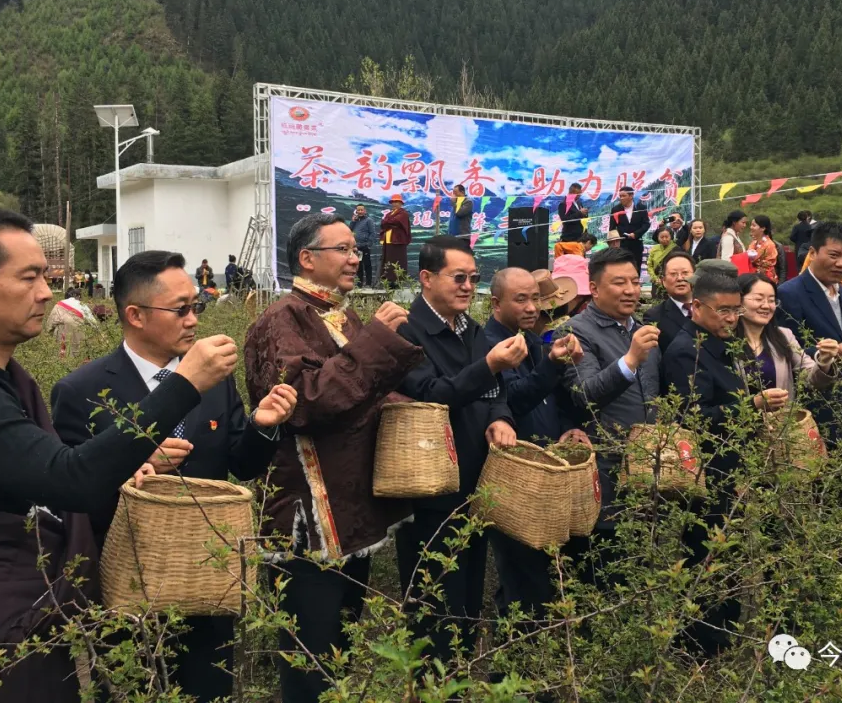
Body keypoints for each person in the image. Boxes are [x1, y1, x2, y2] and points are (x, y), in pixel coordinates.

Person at [0, 207, 237, 701]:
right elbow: (68, 480)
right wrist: (184, 384)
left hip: (4, 616)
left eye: (45, 277)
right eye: (29, 277)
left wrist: (127, 465)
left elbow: (41, 472)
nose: (47, 293)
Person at [51, 250, 297, 701]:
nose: (193, 320)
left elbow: (240, 465)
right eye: (180, 309)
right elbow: (72, 495)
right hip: (127, 592)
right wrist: (132, 462)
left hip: (206, 583)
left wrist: (263, 426)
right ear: (135, 315)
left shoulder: (215, 379)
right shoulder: (82, 391)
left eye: (196, 306)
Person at [243, 213, 424, 703]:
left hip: (351, 510)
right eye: (342, 249)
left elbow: (363, 392)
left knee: (340, 652)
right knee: (311, 661)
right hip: (307, 517)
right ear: (307, 258)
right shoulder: (281, 319)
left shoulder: (342, 314)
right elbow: (306, 402)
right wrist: (377, 340)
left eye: (355, 249)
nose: (354, 258)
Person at [395, 235, 521, 663]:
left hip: (476, 483)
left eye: (473, 278)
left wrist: (500, 417)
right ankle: (430, 684)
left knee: (467, 600)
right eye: (459, 278)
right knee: (434, 603)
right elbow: (433, 393)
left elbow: (496, 391)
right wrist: (489, 366)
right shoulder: (407, 332)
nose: (468, 286)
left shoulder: (472, 329)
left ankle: (461, 677)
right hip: (430, 489)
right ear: (426, 278)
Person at [484, 268, 587, 624]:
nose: (532, 308)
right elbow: (513, 400)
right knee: (520, 574)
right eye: (521, 300)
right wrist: (551, 365)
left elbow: (556, 399)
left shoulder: (530, 338)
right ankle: (516, 651)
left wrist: (570, 427)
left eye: (535, 299)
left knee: (545, 572)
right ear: (496, 304)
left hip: (547, 469)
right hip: (517, 475)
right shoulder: (490, 344)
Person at [559, 247, 662, 585]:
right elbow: (584, 394)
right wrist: (630, 360)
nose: (630, 290)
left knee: (643, 569)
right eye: (619, 283)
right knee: (604, 568)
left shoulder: (642, 330)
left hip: (646, 471)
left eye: (634, 281)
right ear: (594, 288)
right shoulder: (576, 332)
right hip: (603, 470)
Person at [662, 271, 749, 655]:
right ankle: (701, 642)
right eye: (723, 310)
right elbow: (693, 417)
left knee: (725, 551)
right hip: (704, 469)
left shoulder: (722, 343)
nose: (731, 318)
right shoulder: (687, 350)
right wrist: (750, 407)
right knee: (705, 554)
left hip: (728, 465)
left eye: (736, 310)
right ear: (696, 306)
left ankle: (722, 633)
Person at [736, 273, 842, 399]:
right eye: (758, 299)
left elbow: (811, 379)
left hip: (782, 412)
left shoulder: (783, 336)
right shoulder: (727, 339)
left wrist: (824, 360)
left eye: (772, 300)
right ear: (738, 301)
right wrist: (755, 404)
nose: (766, 306)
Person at [777, 221, 842, 351]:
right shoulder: (789, 294)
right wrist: (834, 352)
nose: (840, 263)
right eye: (833, 255)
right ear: (812, 253)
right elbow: (786, 350)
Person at [643, 250, 695, 353]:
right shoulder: (654, 317)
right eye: (673, 274)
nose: (680, 278)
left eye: (685, 273)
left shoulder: (709, 309)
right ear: (664, 281)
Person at [43, 286, 97, 357]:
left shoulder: (59, 304)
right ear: (78, 296)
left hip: (62, 333)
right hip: (79, 333)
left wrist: (49, 335)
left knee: (62, 354)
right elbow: (94, 324)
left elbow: (50, 323)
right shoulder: (83, 305)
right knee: (78, 354)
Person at [609, 186, 649, 272]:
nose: (621, 198)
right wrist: (613, 244)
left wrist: (636, 234)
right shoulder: (616, 209)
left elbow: (646, 224)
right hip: (622, 244)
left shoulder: (640, 207)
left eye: (624, 196)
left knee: (636, 268)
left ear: (631, 196)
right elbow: (612, 228)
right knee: (622, 268)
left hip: (636, 243)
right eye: (620, 196)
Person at [380, 194, 411, 286]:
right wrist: (389, 222)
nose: (394, 204)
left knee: (397, 260)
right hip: (388, 240)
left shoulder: (403, 213)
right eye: (393, 202)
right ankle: (389, 280)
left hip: (398, 241)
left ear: (401, 203)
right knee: (388, 260)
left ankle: (397, 281)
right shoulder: (389, 214)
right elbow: (383, 223)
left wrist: (388, 222)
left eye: (396, 202)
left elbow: (395, 221)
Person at [556, 182, 590, 257]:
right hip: (570, 238)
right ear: (571, 193)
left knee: (580, 260)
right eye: (577, 194)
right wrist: (579, 213)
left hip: (581, 238)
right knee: (571, 260)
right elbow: (565, 220)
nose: (579, 196)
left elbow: (581, 217)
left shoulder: (578, 203)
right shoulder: (563, 204)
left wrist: (585, 213)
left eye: (580, 194)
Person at [350, 204, 377, 287]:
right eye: (358, 210)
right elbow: (350, 230)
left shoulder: (369, 220)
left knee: (367, 265)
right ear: (356, 211)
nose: (360, 211)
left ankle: (368, 283)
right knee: (359, 265)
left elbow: (372, 233)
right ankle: (359, 283)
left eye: (362, 210)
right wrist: (353, 221)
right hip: (357, 247)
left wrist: (368, 244)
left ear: (365, 211)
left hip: (365, 246)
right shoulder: (355, 221)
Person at [747, 215, 779, 282]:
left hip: (765, 278)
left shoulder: (769, 244)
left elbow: (768, 265)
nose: (751, 227)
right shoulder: (754, 242)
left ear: (763, 228)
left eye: (754, 225)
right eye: (751, 225)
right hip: (753, 277)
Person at [646, 226, 677, 293]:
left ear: (671, 237)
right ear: (658, 237)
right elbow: (649, 265)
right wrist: (655, 278)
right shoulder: (654, 248)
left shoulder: (676, 248)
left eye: (666, 237)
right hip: (656, 281)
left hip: (671, 281)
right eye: (662, 237)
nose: (664, 239)